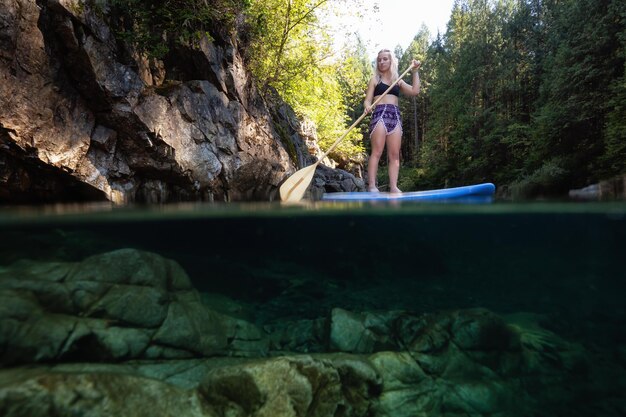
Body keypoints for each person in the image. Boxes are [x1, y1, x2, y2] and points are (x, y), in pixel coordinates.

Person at [364, 49, 421, 193]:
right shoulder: (375, 79)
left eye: (385, 59)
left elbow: (415, 91)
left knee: (395, 155)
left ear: (391, 61)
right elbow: (367, 100)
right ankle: (371, 185)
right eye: (379, 60)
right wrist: (367, 107)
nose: (382, 62)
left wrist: (415, 71)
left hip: (395, 115)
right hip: (380, 114)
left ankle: (394, 186)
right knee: (377, 151)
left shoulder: (398, 80)